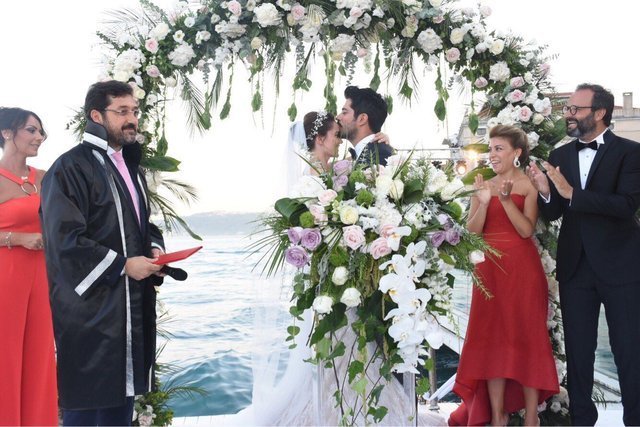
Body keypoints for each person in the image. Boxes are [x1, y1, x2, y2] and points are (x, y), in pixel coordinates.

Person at [240, 111, 445, 426]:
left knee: (349, 343)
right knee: (335, 345)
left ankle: (353, 406)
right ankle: (335, 410)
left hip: (346, 279)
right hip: (329, 281)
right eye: (336, 135)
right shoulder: (309, 178)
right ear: (320, 138)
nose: (339, 141)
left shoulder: (335, 170)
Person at [40, 80, 166, 426]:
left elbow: (140, 225)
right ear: (97, 115)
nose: (132, 119)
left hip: (129, 306)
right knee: (88, 405)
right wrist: (124, 265)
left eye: (135, 111)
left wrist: (154, 248)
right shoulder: (69, 168)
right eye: (122, 111)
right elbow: (63, 240)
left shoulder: (130, 167)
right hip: (92, 310)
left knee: (120, 404)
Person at [527, 83, 640, 426]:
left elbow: (627, 205)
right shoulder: (560, 156)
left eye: (576, 109)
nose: (569, 115)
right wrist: (547, 193)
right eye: (568, 109)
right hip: (575, 267)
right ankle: (581, 420)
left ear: (600, 112)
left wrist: (571, 192)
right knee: (578, 352)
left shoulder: (631, 152)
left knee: (629, 350)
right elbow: (554, 213)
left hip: (622, 267)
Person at [450, 125, 559, 426]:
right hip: (489, 272)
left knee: (528, 338)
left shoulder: (528, 184)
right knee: (492, 341)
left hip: (523, 272)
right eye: (491, 148)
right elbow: (473, 233)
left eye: (499, 148)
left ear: (516, 152)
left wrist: (507, 200)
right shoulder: (483, 184)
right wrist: (484, 203)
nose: (492, 154)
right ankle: (498, 415)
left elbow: (526, 231)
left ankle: (532, 416)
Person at [0, 107, 58, 425]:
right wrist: (18, 239)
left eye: (41, 131)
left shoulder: (46, 178)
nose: (40, 137)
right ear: (7, 133)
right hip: (5, 280)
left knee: (39, 357)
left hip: (42, 279)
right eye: (31, 130)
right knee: (5, 359)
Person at [337, 85, 394, 167]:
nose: (338, 117)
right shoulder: (372, 152)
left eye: (344, 112)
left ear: (362, 119)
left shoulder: (380, 155)